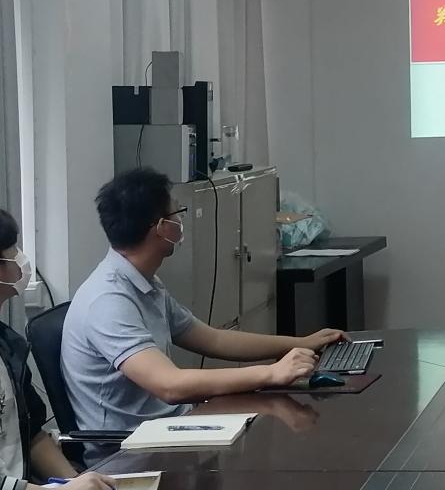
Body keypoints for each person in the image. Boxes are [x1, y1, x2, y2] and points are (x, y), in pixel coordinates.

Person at [62, 169, 346, 447]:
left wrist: (301, 343)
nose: (181, 220)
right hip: (130, 451)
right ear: (161, 228)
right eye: (177, 213)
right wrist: (271, 373)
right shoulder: (107, 302)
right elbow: (170, 385)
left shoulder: (144, 283)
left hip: (172, 429)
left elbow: (214, 339)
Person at [0, 211, 115, 490]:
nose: (21, 257)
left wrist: (75, 482)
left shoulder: (7, 346)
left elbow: (33, 435)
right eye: (12, 248)